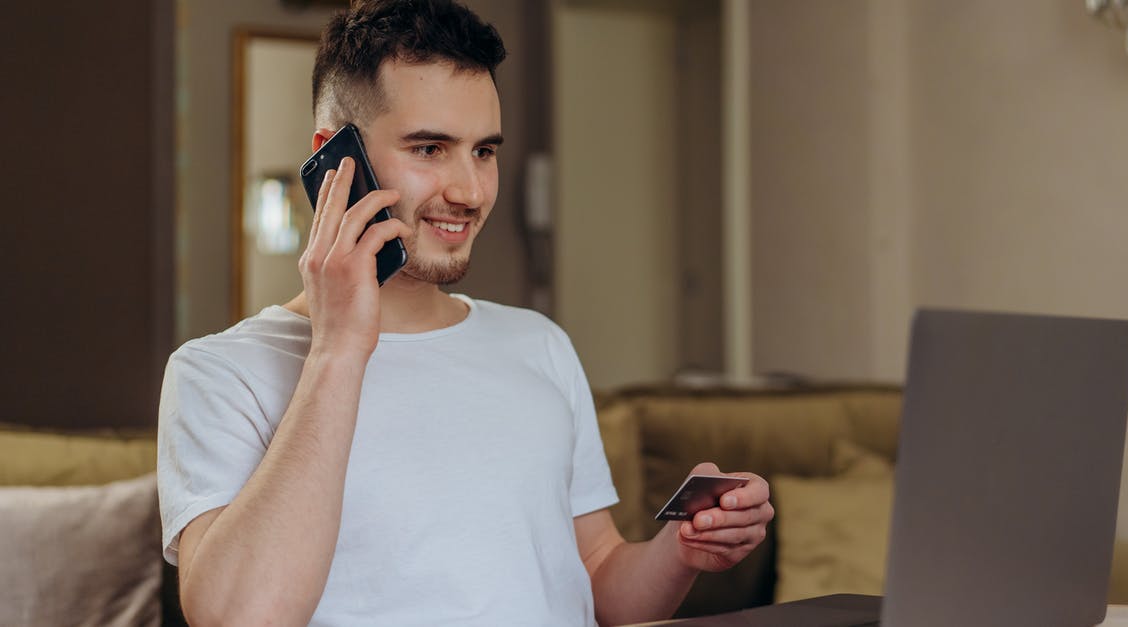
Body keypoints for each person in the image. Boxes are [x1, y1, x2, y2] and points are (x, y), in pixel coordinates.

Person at [157, 1, 773, 625]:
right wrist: (338, 349)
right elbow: (241, 617)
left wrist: (683, 549)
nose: (471, 191)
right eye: (430, 148)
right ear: (335, 158)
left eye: (483, 151)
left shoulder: (540, 345)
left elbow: (599, 581)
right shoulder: (219, 372)